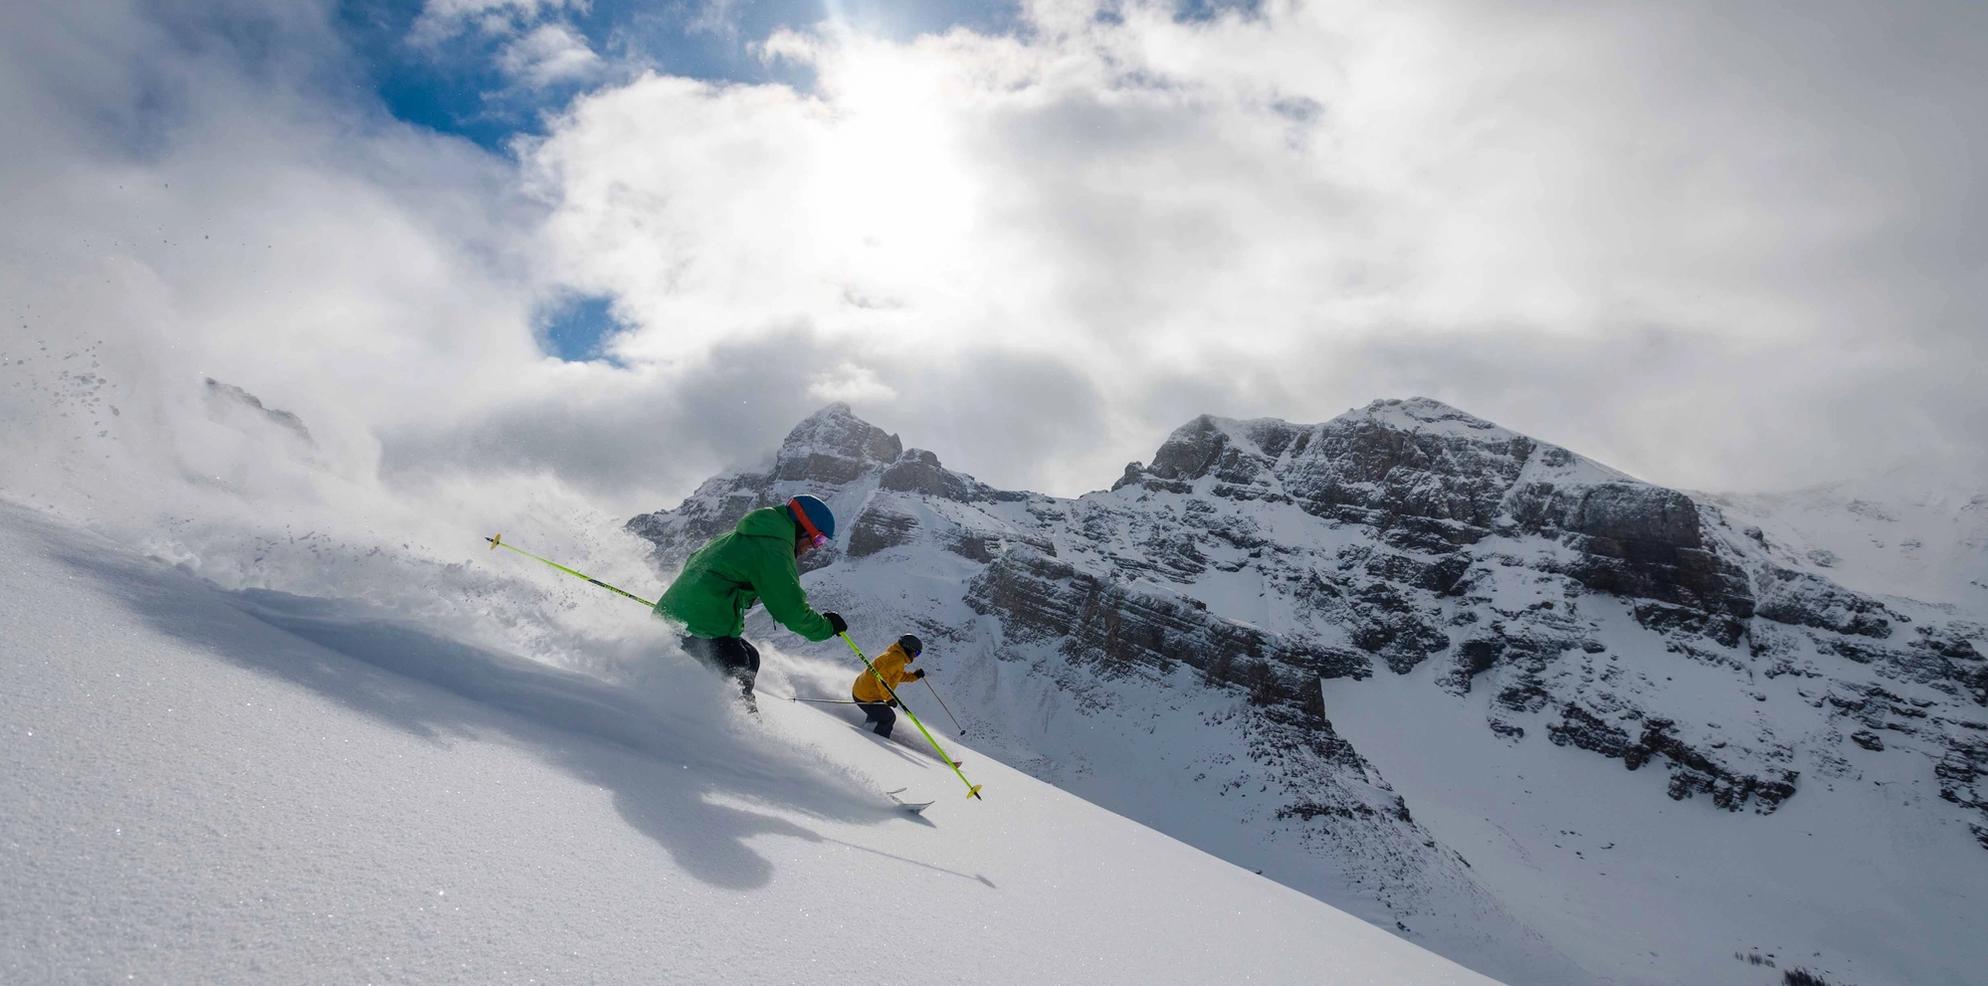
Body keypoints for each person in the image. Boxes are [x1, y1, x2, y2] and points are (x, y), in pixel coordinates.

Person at [653, 494, 848, 710]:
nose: (814, 547)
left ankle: (720, 712)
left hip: (679, 612)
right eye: (817, 539)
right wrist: (827, 627)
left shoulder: (757, 530)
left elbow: (694, 559)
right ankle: (730, 729)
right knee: (738, 668)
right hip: (697, 623)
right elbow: (790, 611)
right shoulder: (773, 548)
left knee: (751, 658)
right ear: (803, 527)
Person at [851, 634, 925, 738]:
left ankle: (867, 730)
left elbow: (895, 676)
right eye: (916, 653)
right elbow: (881, 678)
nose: (915, 656)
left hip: (864, 691)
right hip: (866, 696)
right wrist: (889, 698)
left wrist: (914, 676)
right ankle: (878, 741)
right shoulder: (897, 659)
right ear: (908, 648)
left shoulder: (896, 656)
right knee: (888, 717)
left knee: (880, 712)